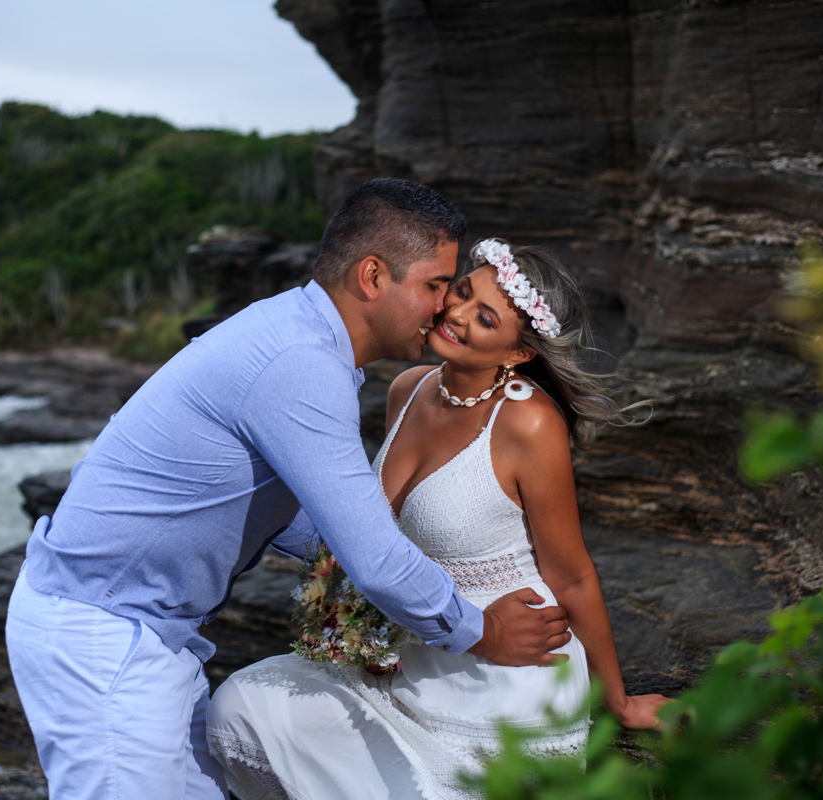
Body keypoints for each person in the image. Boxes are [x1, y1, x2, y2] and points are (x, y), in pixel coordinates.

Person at [4, 179, 576, 800]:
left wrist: (429, 561)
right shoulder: (300, 365)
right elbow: (374, 560)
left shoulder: (298, 337)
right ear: (373, 276)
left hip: (153, 632)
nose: (442, 309)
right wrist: (482, 631)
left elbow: (299, 520)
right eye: (438, 286)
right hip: (104, 634)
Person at [206, 238, 670, 799]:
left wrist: (616, 700)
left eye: (486, 317)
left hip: (507, 667)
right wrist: (368, 634)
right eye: (463, 291)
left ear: (518, 353)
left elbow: (572, 574)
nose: (455, 313)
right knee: (239, 705)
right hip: (413, 651)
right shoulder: (408, 389)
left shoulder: (530, 424)